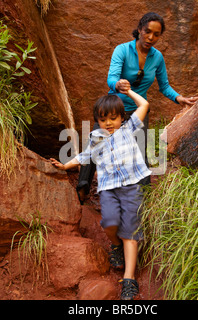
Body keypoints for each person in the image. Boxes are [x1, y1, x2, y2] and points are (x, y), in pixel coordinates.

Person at [76, 12, 198, 203]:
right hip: (114, 108)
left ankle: (144, 200)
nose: (150, 37)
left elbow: (164, 86)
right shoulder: (122, 50)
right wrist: (118, 85)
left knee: (141, 155)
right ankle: (82, 189)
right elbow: (111, 78)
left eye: (156, 34)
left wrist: (179, 98)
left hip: (138, 111)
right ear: (140, 29)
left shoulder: (157, 58)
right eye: (147, 31)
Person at [50, 89, 150, 300]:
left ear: (122, 117)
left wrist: (129, 91)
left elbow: (144, 106)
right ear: (97, 121)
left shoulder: (128, 129)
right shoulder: (96, 138)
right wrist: (64, 166)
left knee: (130, 234)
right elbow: (84, 157)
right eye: (103, 119)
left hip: (131, 187)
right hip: (108, 189)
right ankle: (116, 245)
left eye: (113, 118)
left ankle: (129, 279)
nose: (109, 123)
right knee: (110, 223)